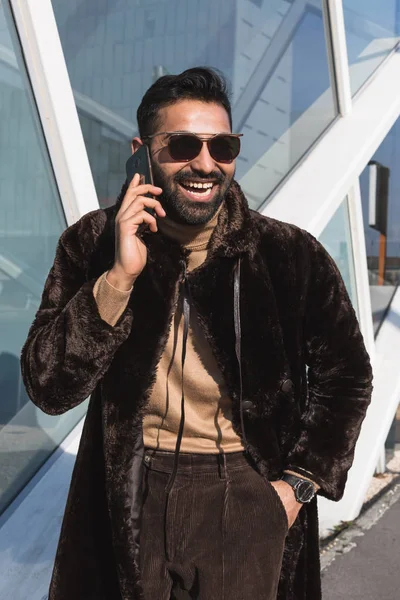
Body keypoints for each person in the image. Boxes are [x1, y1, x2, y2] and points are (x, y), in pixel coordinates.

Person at [21, 67, 373, 600]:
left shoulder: (289, 256)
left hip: (248, 493)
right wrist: (119, 279)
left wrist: (297, 486)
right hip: (130, 490)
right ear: (142, 151)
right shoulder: (94, 243)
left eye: (223, 146)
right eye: (183, 145)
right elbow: (50, 388)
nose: (205, 164)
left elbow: (347, 378)